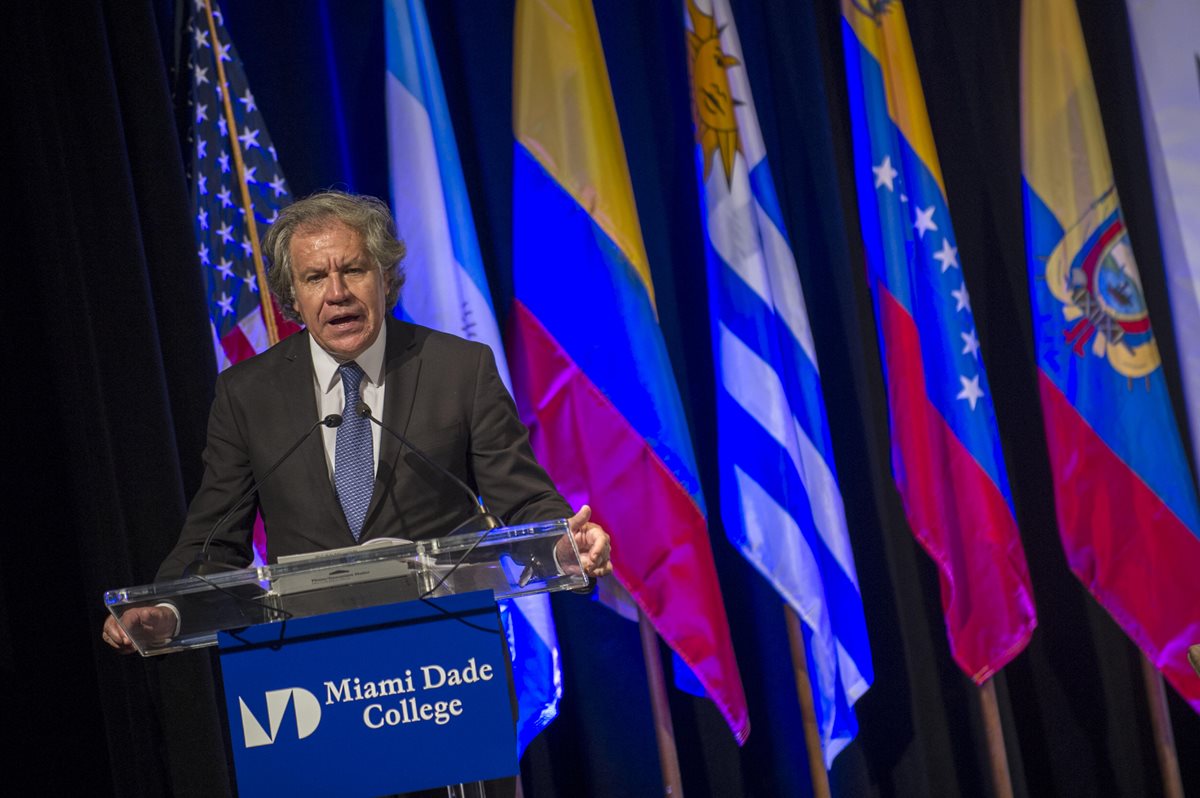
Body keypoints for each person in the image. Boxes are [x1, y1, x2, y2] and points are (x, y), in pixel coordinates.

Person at [102, 191, 611, 653]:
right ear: (292, 297)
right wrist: (167, 609)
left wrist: (564, 546)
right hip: (313, 661)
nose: (337, 292)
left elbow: (521, 500)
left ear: (385, 278)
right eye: (315, 278)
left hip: (450, 651)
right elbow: (213, 541)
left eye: (353, 270)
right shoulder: (247, 395)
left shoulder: (459, 369)